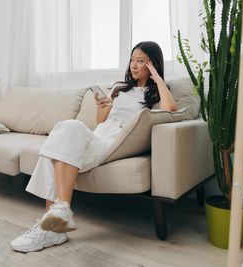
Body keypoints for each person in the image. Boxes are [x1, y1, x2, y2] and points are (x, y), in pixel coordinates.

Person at [10, 41, 177, 252]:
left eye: (141, 61)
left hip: (119, 139)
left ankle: (52, 228)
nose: (134, 65)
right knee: (67, 127)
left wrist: (156, 76)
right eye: (132, 60)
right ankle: (58, 217)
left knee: (56, 149)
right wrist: (102, 107)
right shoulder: (119, 88)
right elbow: (100, 121)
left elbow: (170, 109)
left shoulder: (157, 93)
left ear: (153, 64)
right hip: (101, 133)